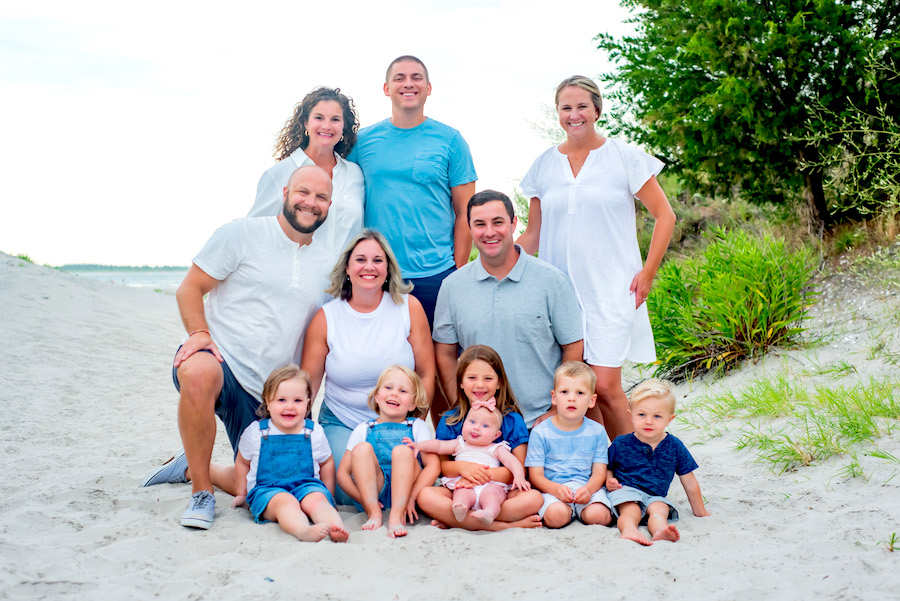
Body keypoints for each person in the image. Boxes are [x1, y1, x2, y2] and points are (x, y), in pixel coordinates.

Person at [140, 165, 335, 530]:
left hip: (268, 391)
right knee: (198, 370)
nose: (311, 203)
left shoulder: (328, 263)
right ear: (285, 194)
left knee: (267, 486)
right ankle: (202, 493)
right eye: (303, 192)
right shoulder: (241, 234)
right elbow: (190, 288)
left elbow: (319, 335)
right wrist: (199, 333)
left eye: (321, 197)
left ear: (330, 204)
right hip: (222, 362)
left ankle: (195, 467)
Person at [517, 75, 677, 440]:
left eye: (582, 107)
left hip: (612, 287)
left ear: (597, 110)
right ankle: (604, 472)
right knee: (579, 390)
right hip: (560, 294)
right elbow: (533, 234)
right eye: (566, 108)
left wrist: (648, 272)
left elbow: (664, 216)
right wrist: (494, 262)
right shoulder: (543, 165)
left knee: (604, 385)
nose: (574, 115)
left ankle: (641, 464)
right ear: (557, 113)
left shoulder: (624, 157)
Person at [300, 229, 435, 505]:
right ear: (347, 267)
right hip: (343, 420)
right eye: (360, 259)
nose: (369, 267)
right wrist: (302, 436)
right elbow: (308, 387)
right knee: (345, 491)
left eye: (378, 260)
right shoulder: (327, 317)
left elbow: (426, 373)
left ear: (388, 268)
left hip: (400, 422)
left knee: (412, 481)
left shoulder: (409, 308)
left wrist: (414, 423)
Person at [432, 190, 584, 427]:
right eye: (480, 224)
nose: (489, 232)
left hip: (540, 424)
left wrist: (556, 410)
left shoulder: (551, 280)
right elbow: (444, 353)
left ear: (513, 223)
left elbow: (573, 348)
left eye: (498, 222)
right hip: (479, 427)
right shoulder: (452, 286)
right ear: (469, 228)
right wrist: (462, 410)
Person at [348, 55, 477, 326]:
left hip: (438, 272)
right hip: (379, 272)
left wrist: (458, 272)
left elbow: (466, 212)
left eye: (416, 78)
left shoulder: (451, 140)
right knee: (384, 364)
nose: (409, 84)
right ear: (386, 89)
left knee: (441, 361)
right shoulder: (363, 142)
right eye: (400, 78)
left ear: (428, 88)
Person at [415, 345, 543, 531]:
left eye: (488, 378)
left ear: (499, 382)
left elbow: (520, 468)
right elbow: (442, 467)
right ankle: (503, 526)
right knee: (425, 496)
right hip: (459, 491)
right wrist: (462, 467)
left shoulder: (512, 420)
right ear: (460, 382)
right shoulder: (450, 419)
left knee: (534, 498)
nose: (480, 385)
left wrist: (481, 476)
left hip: (498, 492)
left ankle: (457, 520)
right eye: (472, 377)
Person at [232, 366, 348, 543]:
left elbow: (327, 463)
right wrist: (241, 493)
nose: (290, 407)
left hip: (306, 486)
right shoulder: (257, 432)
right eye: (281, 400)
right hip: (268, 491)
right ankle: (302, 530)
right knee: (285, 502)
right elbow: (242, 462)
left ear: (308, 402)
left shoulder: (314, 432)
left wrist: (327, 494)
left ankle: (335, 526)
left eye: (298, 400)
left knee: (317, 500)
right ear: (267, 402)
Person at [248, 87, 364, 259]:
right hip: (293, 281)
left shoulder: (355, 174)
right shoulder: (280, 173)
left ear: (344, 126)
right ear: (305, 123)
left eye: (335, 119)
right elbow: (253, 233)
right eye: (319, 117)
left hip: (343, 284)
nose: (326, 126)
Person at [336, 366, 438, 538]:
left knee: (402, 451)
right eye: (388, 388)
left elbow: (432, 467)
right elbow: (343, 474)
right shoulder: (363, 429)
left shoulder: (417, 426)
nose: (394, 394)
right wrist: (363, 499)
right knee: (361, 449)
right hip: (376, 490)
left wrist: (413, 496)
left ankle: (396, 516)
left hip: (408, 489)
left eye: (403, 390)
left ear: (413, 403)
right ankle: (374, 513)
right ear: (377, 396)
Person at [606, 379, 710, 545]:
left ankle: (660, 530)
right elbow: (607, 466)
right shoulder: (621, 443)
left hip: (655, 496)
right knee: (630, 510)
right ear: (630, 415)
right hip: (626, 491)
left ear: (669, 419)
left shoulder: (674, 446)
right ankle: (629, 530)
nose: (648, 421)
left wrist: (700, 511)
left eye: (657, 416)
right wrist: (608, 479)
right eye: (641, 415)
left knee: (660, 510)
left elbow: (689, 481)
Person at [405, 397, 530, 527]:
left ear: (496, 435)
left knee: (493, 496)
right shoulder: (459, 444)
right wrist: (419, 446)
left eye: (485, 426)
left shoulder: (496, 448)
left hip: (489, 485)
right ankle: (461, 509)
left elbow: (512, 461)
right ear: (464, 424)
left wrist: (519, 476)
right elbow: (438, 445)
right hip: (463, 485)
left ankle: (487, 513)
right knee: (460, 494)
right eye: (472, 422)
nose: (476, 428)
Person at [525, 362, 613, 529]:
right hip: (552, 490)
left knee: (599, 516)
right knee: (556, 517)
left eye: (580, 393)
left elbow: (599, 472)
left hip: (586, 488)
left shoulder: (597, 431)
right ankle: (567, 511)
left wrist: (588, 490)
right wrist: (556, 490)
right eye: (564, 392)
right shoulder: (541, 432)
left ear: (591, 400)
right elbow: (536, 476)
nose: (571, 398)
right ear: (554, 397)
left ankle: (583, 510)